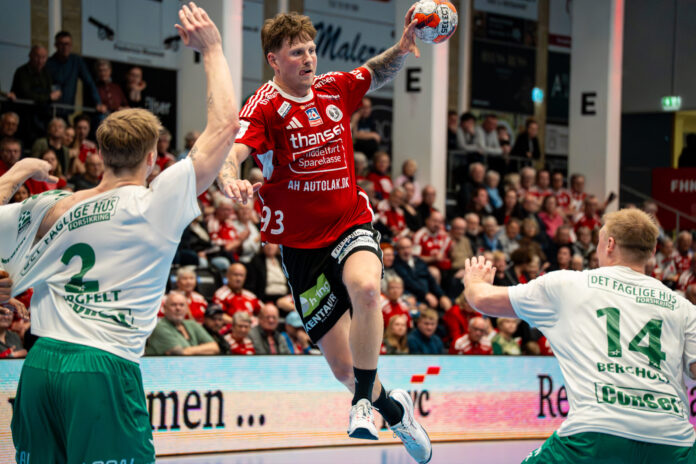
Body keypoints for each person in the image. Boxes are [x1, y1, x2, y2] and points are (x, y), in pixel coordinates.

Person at [3, 4, 239, 461]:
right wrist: (212, 48)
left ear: (99, 153)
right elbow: (225, 127)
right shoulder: (154, 203)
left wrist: (17, 173)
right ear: (152, 159)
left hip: (40, 363)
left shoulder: (55, 205)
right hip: (103, 367)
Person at [216, 7, 430, 459]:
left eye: (312, 50)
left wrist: (401, 48)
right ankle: (394, 411)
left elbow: (373, 71)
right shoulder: (265, 106)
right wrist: (230, 178)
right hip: (301, 247)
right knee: (343, 369)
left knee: (366, 288)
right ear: (274, 60)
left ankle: (361, 406)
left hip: (349, 221)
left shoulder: (333, 88)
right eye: (297, 53)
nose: (309, 59)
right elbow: (233, 153)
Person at [463, 208, 696, 463]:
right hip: (675, 442)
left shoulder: (568, 285)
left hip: (596, 434)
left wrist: (475, 280)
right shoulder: (682, 306)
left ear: (609, 244)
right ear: (652, 251)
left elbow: (482, 300)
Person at [46, 31, 106, 114]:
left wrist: (98, 102)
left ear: (71, 46)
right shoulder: (48, 63)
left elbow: (89, 82)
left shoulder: (76, 61)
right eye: (61, 44)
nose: (65, 47)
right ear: (56, 45)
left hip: (67, 110)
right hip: (50, 109)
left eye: (67, 44)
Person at [146, 291, 220, 355]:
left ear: (187, 308)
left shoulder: (192, 324)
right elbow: (180, 353)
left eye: (182, 305)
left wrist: (189, 350)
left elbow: (215, 347)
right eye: (173, 305)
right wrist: (203, 349)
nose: (178, 308)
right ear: (165, 308)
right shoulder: (160, 328)